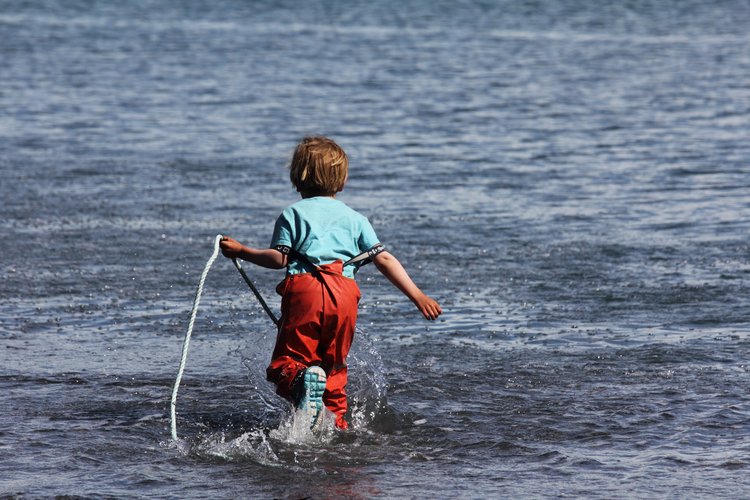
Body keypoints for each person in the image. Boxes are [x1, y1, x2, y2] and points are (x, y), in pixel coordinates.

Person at [219, 136, 442, 430]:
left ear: (297, 179)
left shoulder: (293, 214)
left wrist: (242, 251)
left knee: (289, 362)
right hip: (344, 296)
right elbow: (385, 259)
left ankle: (302, 383)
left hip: (306, 291)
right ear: (343, 180)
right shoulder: (356, 218)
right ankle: (336, 428)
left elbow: (279, 259)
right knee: (334, 367)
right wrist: (418, 296)